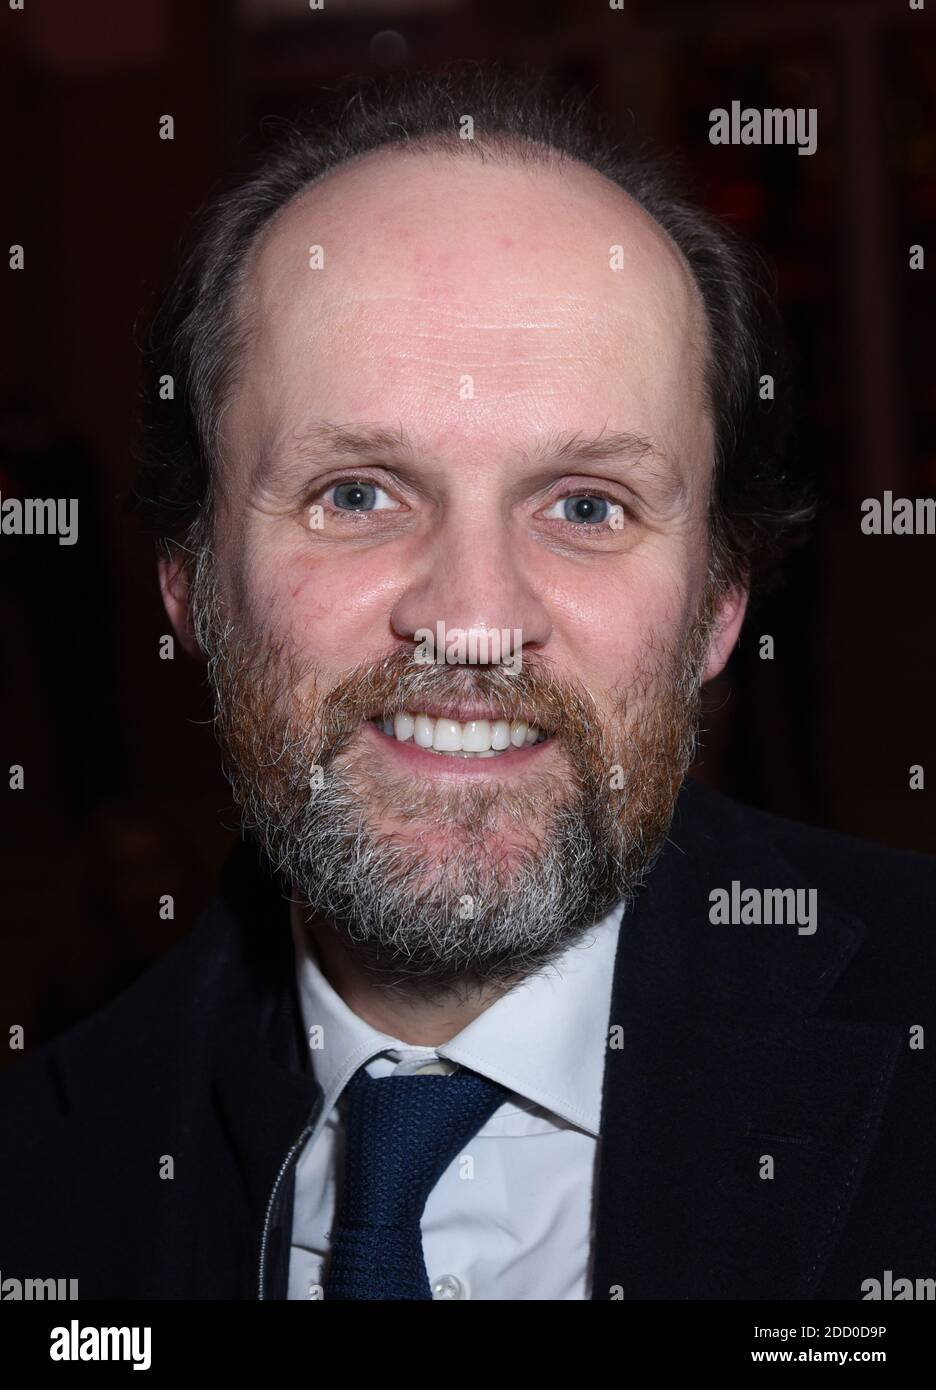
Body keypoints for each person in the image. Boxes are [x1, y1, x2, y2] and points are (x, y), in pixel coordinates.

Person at [2, 63, 934, 1302]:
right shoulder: (45, 1182)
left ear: (720, 606)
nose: (476, 621)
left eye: (588, 505)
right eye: (357, 493)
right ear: (190, 583)